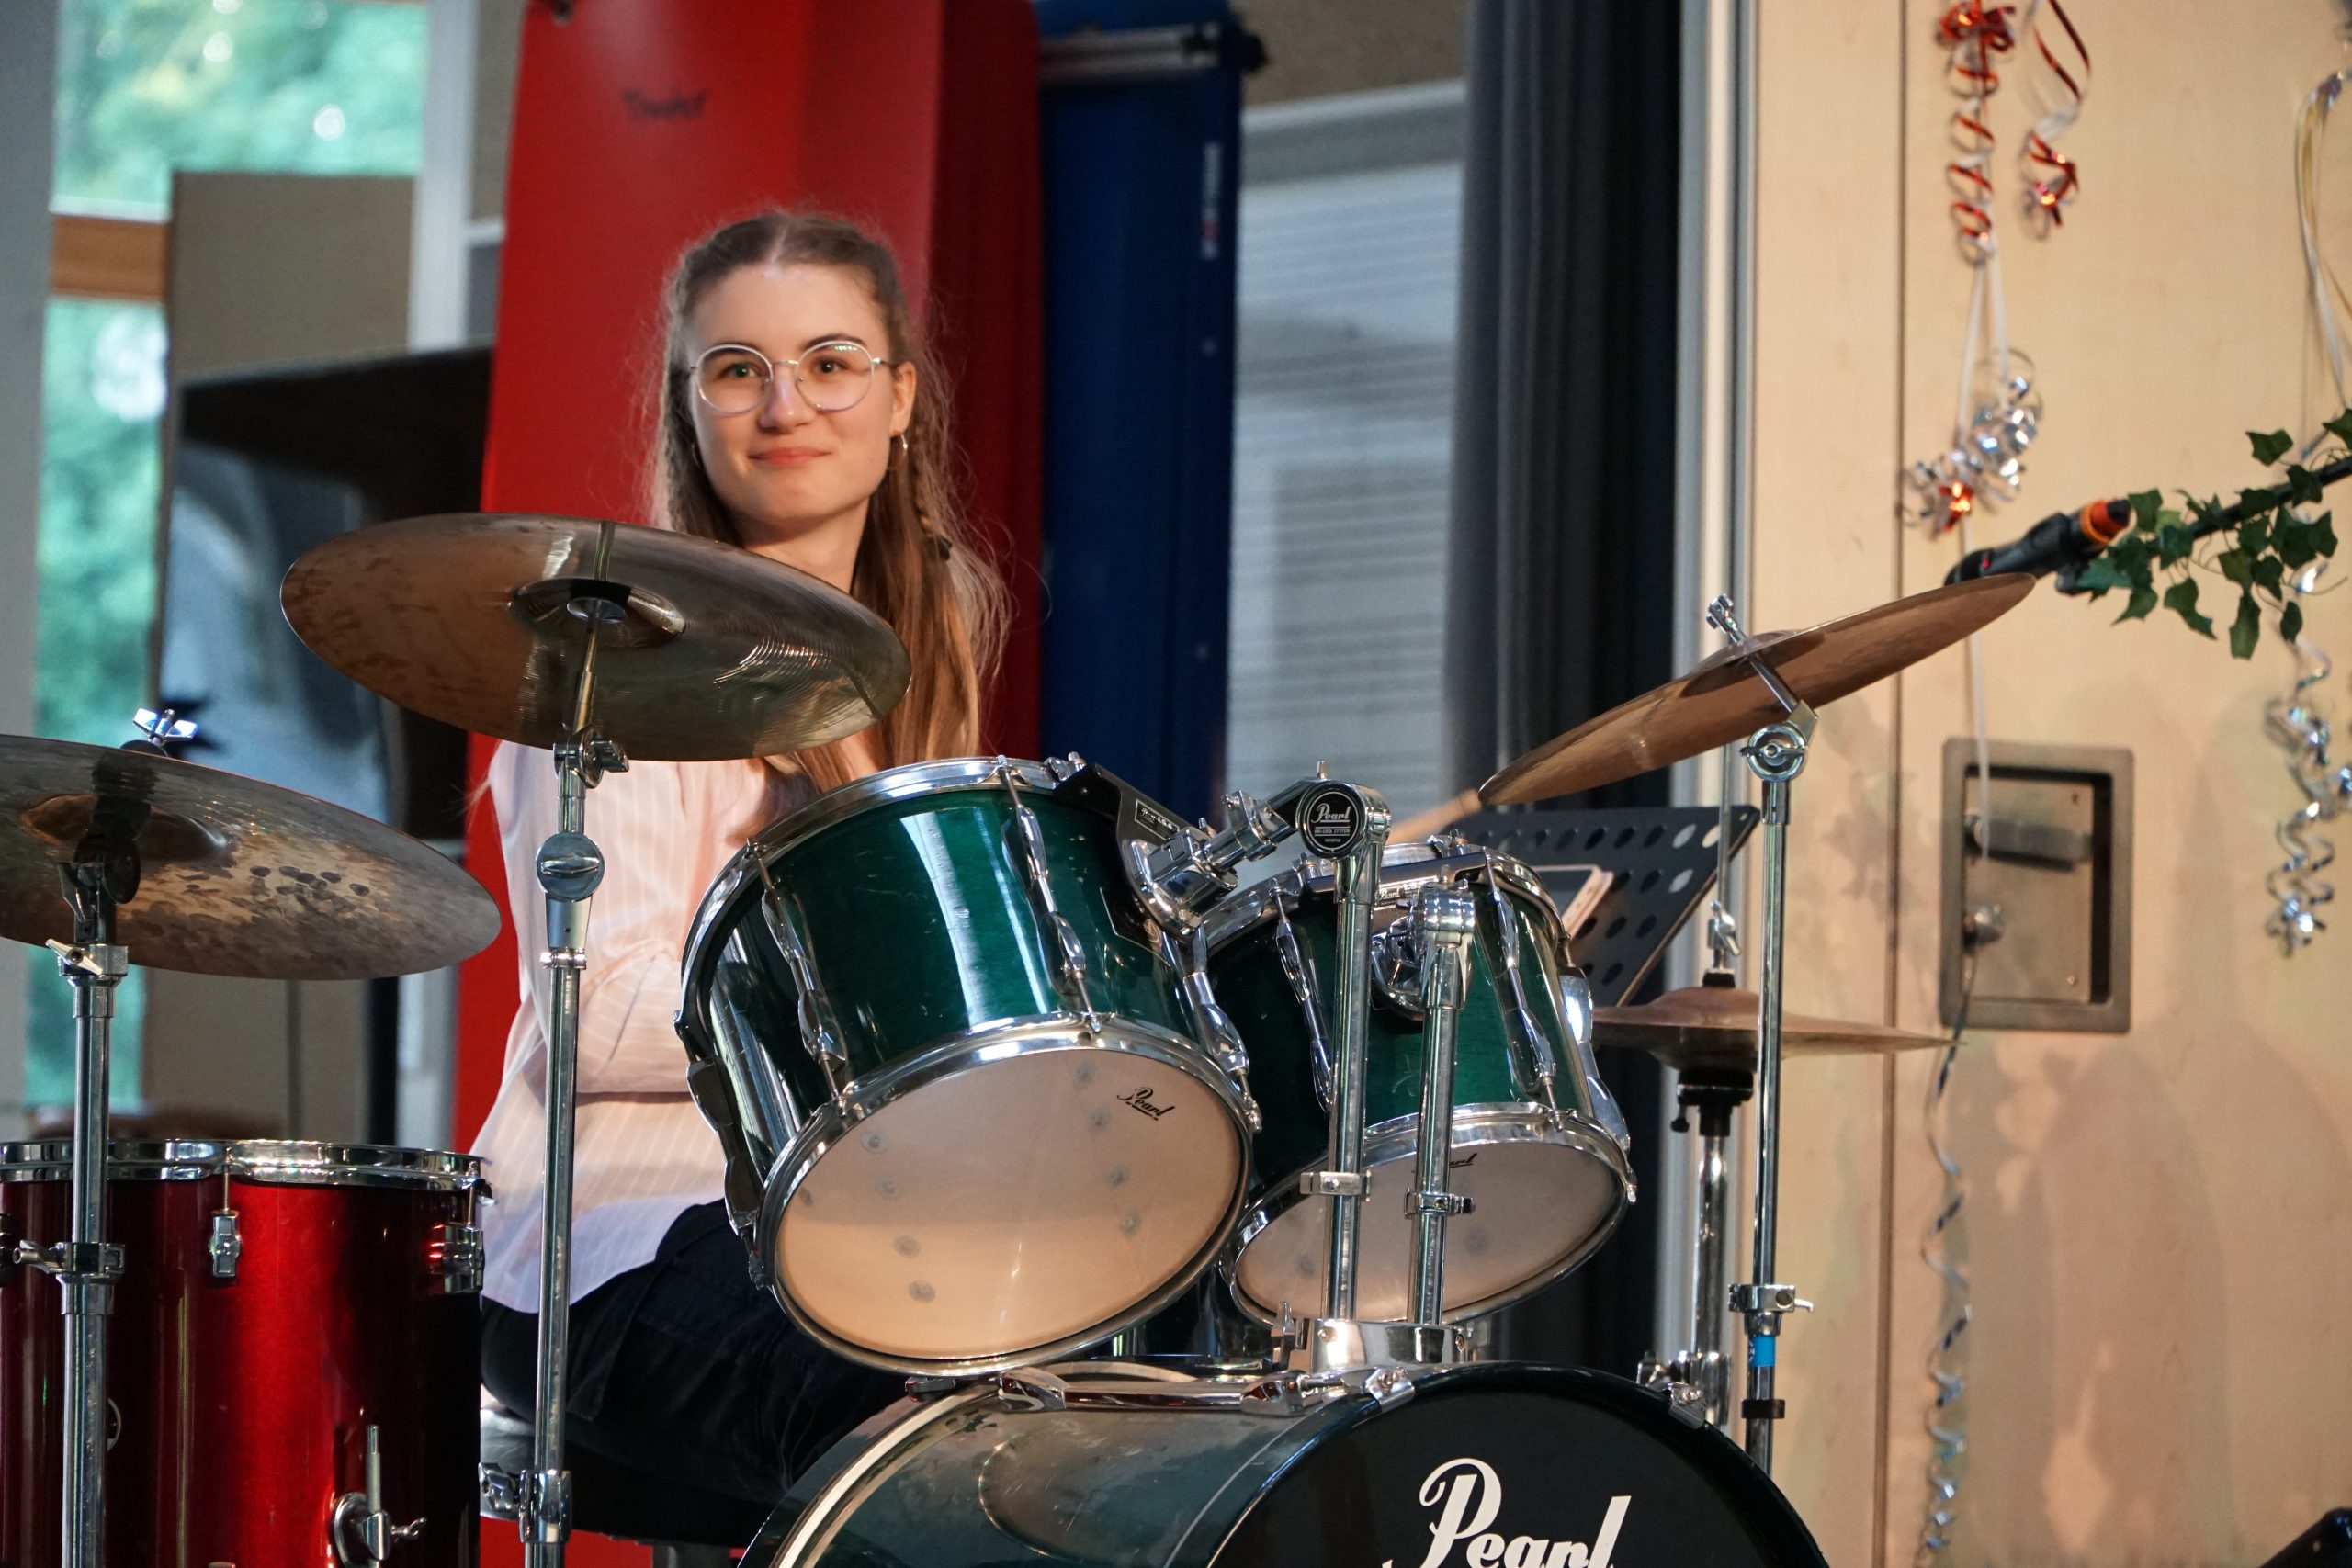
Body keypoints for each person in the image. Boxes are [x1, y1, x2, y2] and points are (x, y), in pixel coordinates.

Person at [474, 210, 1010, 1511]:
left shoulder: (925, 650)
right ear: (689, 403)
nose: (785, 406)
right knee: (917, 1431)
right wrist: (881, 1011)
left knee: (1116, 1374)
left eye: (829, 364)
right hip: (603, 1247)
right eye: (737, 369)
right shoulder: (616, 662)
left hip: (838, 1222)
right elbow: (598, 1019)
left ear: (899, 399)